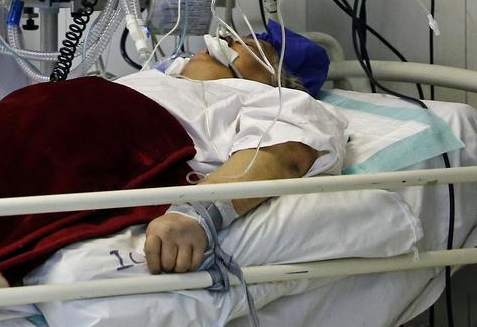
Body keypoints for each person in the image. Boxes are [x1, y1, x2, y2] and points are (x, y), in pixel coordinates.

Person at [134, 23, 344, 275]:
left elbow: (287, 150)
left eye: (248, 45)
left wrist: (196, 212)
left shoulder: (270, 100)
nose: (223, 40)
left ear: (272, 76)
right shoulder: (151, 80)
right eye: (228, 36)